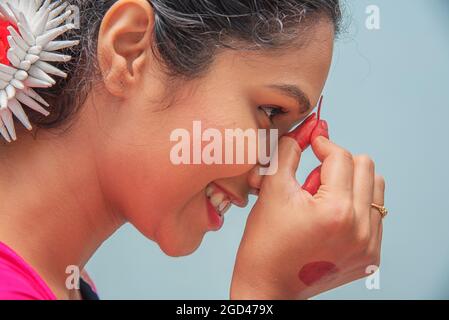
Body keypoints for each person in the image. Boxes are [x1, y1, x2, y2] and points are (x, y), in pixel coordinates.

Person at [0, 0, 386, 300]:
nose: (266, 176)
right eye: (270, 112)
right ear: (128, 51)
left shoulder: (64, 282)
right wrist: (265, 294)